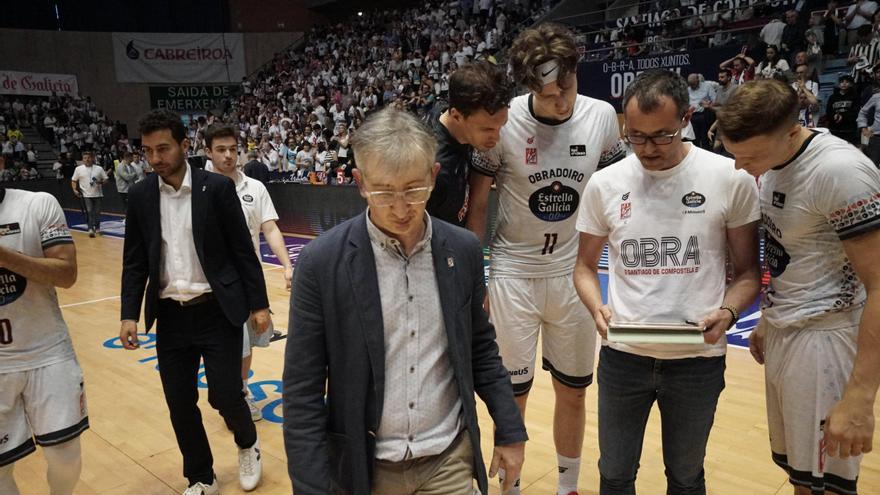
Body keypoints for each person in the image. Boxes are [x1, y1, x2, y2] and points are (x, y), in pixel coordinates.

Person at [283, 107, 527, 495]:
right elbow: (303, 389)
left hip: (449, 460)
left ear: (434, 176)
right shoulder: (320, 263)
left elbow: (481, 348)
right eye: (383, 192)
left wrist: (511, 431)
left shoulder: (463, 250)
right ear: (361, 183)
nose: (400, 208)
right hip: (366, 468)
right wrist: (311, 487)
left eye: (414, 190)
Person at [573, 69, 761, 494]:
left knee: (686, 475)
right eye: (635, 137)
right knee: (615, 475)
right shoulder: (605, 184)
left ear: (686, 119)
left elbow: (749, 273)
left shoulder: (730, 178)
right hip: (623, 357)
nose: (647, 149)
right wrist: (595, 307)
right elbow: (583, 268)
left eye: (660, 136)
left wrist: (729, 312)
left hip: (697, 361)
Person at [467, 23, 624, 495]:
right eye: (549, 94)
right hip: (514, 273)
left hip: (573, 274)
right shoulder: (505, 119)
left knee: (574, 390)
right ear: (528, 87)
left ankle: (567, 487)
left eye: (568, 89)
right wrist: (478, 285)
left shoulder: (601, 117)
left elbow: (618, 199)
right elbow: (476, 210)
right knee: (512, 396)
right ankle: (509, 487)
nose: (561, 102)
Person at [719, 79, 880, 495]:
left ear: (792, 131)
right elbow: (792, 254)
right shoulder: (774, 163)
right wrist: (770, 318)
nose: (739, 167)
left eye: (748, 156)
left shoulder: (840, 172)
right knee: (803, 478)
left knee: (830, 485)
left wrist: (861, 397)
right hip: (790, 332)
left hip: (828, 341)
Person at [119, 110, 270, 495]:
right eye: (148, 150)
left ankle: (248, 444)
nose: (156, 158)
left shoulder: (216, 189)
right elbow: (135, 261)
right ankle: (201, 476)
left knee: (224, 393)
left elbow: (242, 251)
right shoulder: (139, 196)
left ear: (185, 146)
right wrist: (128, 315)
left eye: (164, 148)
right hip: (170, 316)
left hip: (216, 310)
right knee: (180, 403)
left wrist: (259, 305)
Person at [203, 123, 293, 422]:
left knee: (245, 343)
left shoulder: (254, 188)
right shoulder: (197, 189)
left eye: (233, 149)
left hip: (246, 283)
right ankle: (230, 394)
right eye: (221, 150)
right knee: (222, 347)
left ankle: (240, 391)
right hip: (208, 285)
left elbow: (270, 228)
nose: (228, 155)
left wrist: (287, 265)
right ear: (208, 152)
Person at [0, 187, 86, 495]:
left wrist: (3, 255)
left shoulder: (37, 204)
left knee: (65, 457)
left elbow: (66, 274)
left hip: (47, 351)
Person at [427, 61, 513, 226]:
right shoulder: (433, 167)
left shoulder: (451, 114)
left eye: (500, 127)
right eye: (487, 129)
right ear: (457, 116)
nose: (496, 138)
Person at [70, 150, 107, 238]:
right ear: (82, 159)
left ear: (92, 158)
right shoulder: (78, 169)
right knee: (89, 211)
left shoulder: (99, 168)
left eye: (89, 158)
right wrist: (74, 189)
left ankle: (97, 228)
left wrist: (100, 182)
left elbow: (106, 179)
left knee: (97, 212)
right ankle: (90, 228)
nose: (87, 160)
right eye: (85, 158)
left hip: (98, 194)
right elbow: (74, 180)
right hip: (86, 194)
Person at [827, 74, 860, 146]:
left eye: (847, 82)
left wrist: (843, 117)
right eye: (842, 82)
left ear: (851, 84)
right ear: (839, 84)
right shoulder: (832, 97)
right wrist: (834, 116)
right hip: (834, 130)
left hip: (849, 130)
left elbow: (856, 112)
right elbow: (828, 112)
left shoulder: (855, 97)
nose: (844, 84)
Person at [687, 73, 716, 149]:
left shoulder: (707, 86)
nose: (692, 86)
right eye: (690, 84)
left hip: (704, 115)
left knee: (705, 140)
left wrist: (708, 103)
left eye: (693, 84)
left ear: (698, 80)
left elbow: (715, 100)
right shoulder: (688, 89)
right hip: (692, 116)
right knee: (694, 140)